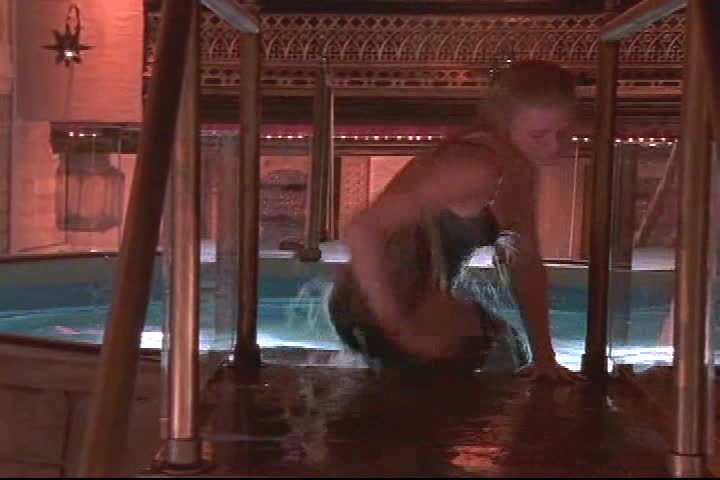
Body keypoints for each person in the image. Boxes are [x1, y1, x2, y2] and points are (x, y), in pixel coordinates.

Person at [329, 60, 583, 381]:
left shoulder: (518, 169)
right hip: (376, 306)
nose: (554, 146)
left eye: (564, 132)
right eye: (539, 135)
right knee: (491, 354)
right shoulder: (474, 168)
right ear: (503, 124)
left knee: (505, 348)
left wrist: (545, 357)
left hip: (407, 303)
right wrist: (399, 328)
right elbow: (361, 230)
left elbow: (526, 264)